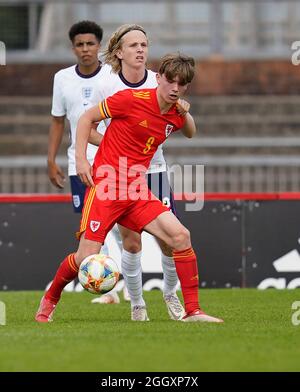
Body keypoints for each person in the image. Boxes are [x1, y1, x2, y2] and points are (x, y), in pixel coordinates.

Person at [35, 52, 223, 324]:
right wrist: (81, 161)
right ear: (158, 79)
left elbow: (191, 131)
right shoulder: (130, 100)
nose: (175, 88)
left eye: (182, 84)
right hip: (107, 188)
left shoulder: (174, 113)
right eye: (170, 81)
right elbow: (86, 118)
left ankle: (193, 311)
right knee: (86, 256)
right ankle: (50, 298)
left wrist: (186, 112)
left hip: (136, 190)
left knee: (181, 237)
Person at [90, 24, 184, 321]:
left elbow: (176, 120)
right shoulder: (107, 85)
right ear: (119, 52)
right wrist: (120, 147)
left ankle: (171, 294)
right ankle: (137, 304)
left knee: (170, 241)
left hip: (155, 171)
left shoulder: (159, 81)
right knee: (132, 242)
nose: (141, 50)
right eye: (133, 45)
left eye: (144, 44)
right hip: (121, 176)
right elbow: (90, 126)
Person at [46, 20, 129, 301]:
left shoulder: (113, 77)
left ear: (100, 46)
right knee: (91, 228)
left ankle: (129, 283)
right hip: (78, 163)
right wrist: (51, 159)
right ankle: (109, 289)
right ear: (73, 48)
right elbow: (58, 121)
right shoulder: (62, 79)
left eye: (90, 44)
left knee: (121, 227)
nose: (85, 49)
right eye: (80, 44)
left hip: (111, 162)